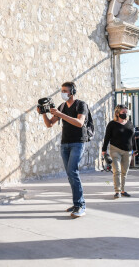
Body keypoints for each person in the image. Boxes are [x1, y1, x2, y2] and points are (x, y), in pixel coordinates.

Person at [38, 81, 88, 218]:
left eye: (65, 90)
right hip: (65, 144)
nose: (63, 93)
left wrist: (60, 114)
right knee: (70, 174)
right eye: (62, 90)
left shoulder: (81, 105)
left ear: (72, 92)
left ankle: (81, 205)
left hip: (78, 143)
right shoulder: (61, 106)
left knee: (73, 172)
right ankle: (76, 203)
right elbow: (49, 124)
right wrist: (43, 113)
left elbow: (79, 123)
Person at [101, 104, 137, 198]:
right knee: (117, 170)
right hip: (115, 149)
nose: (125, 114)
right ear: (117, 113)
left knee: (124, 172)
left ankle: (122, 190)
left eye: (126, 112)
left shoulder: (130, 123)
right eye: (123, 112)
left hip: (128, 151)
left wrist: (135, 149)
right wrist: (104, 150)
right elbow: (107, 137)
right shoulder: (112, 124)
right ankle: (117, 191)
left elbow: (133, 138)